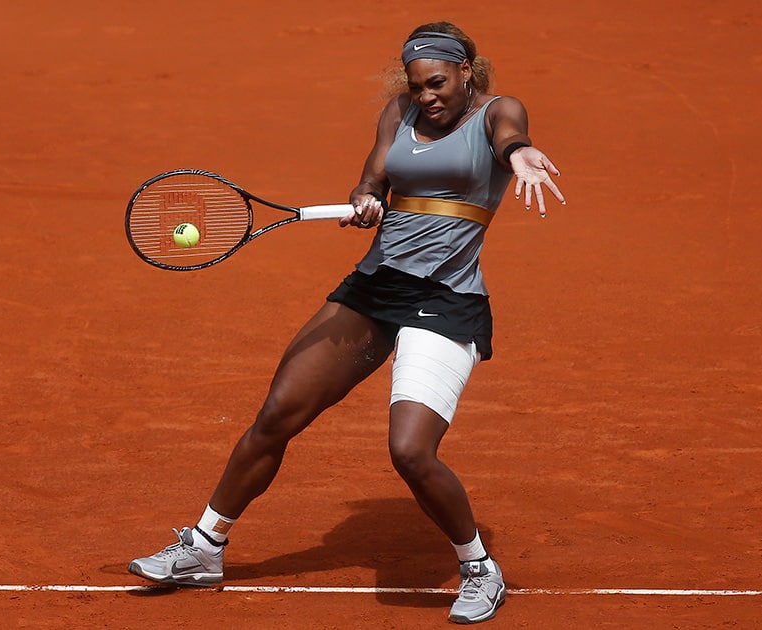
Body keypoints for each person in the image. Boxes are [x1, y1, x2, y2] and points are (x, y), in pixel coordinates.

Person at [128, 21, 565, 625]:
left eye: (437, 82)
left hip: (444, 301)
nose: (426, 96)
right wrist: (365, 197)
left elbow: (511, 136)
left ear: (467, 71)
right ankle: (204, 547)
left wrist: (521, 155)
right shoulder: (399, 114)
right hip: (375, 286)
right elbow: (374, 175)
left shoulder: (496, 113)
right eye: (417, 86)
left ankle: (478, 567)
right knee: (278, 413)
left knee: (410, 451)